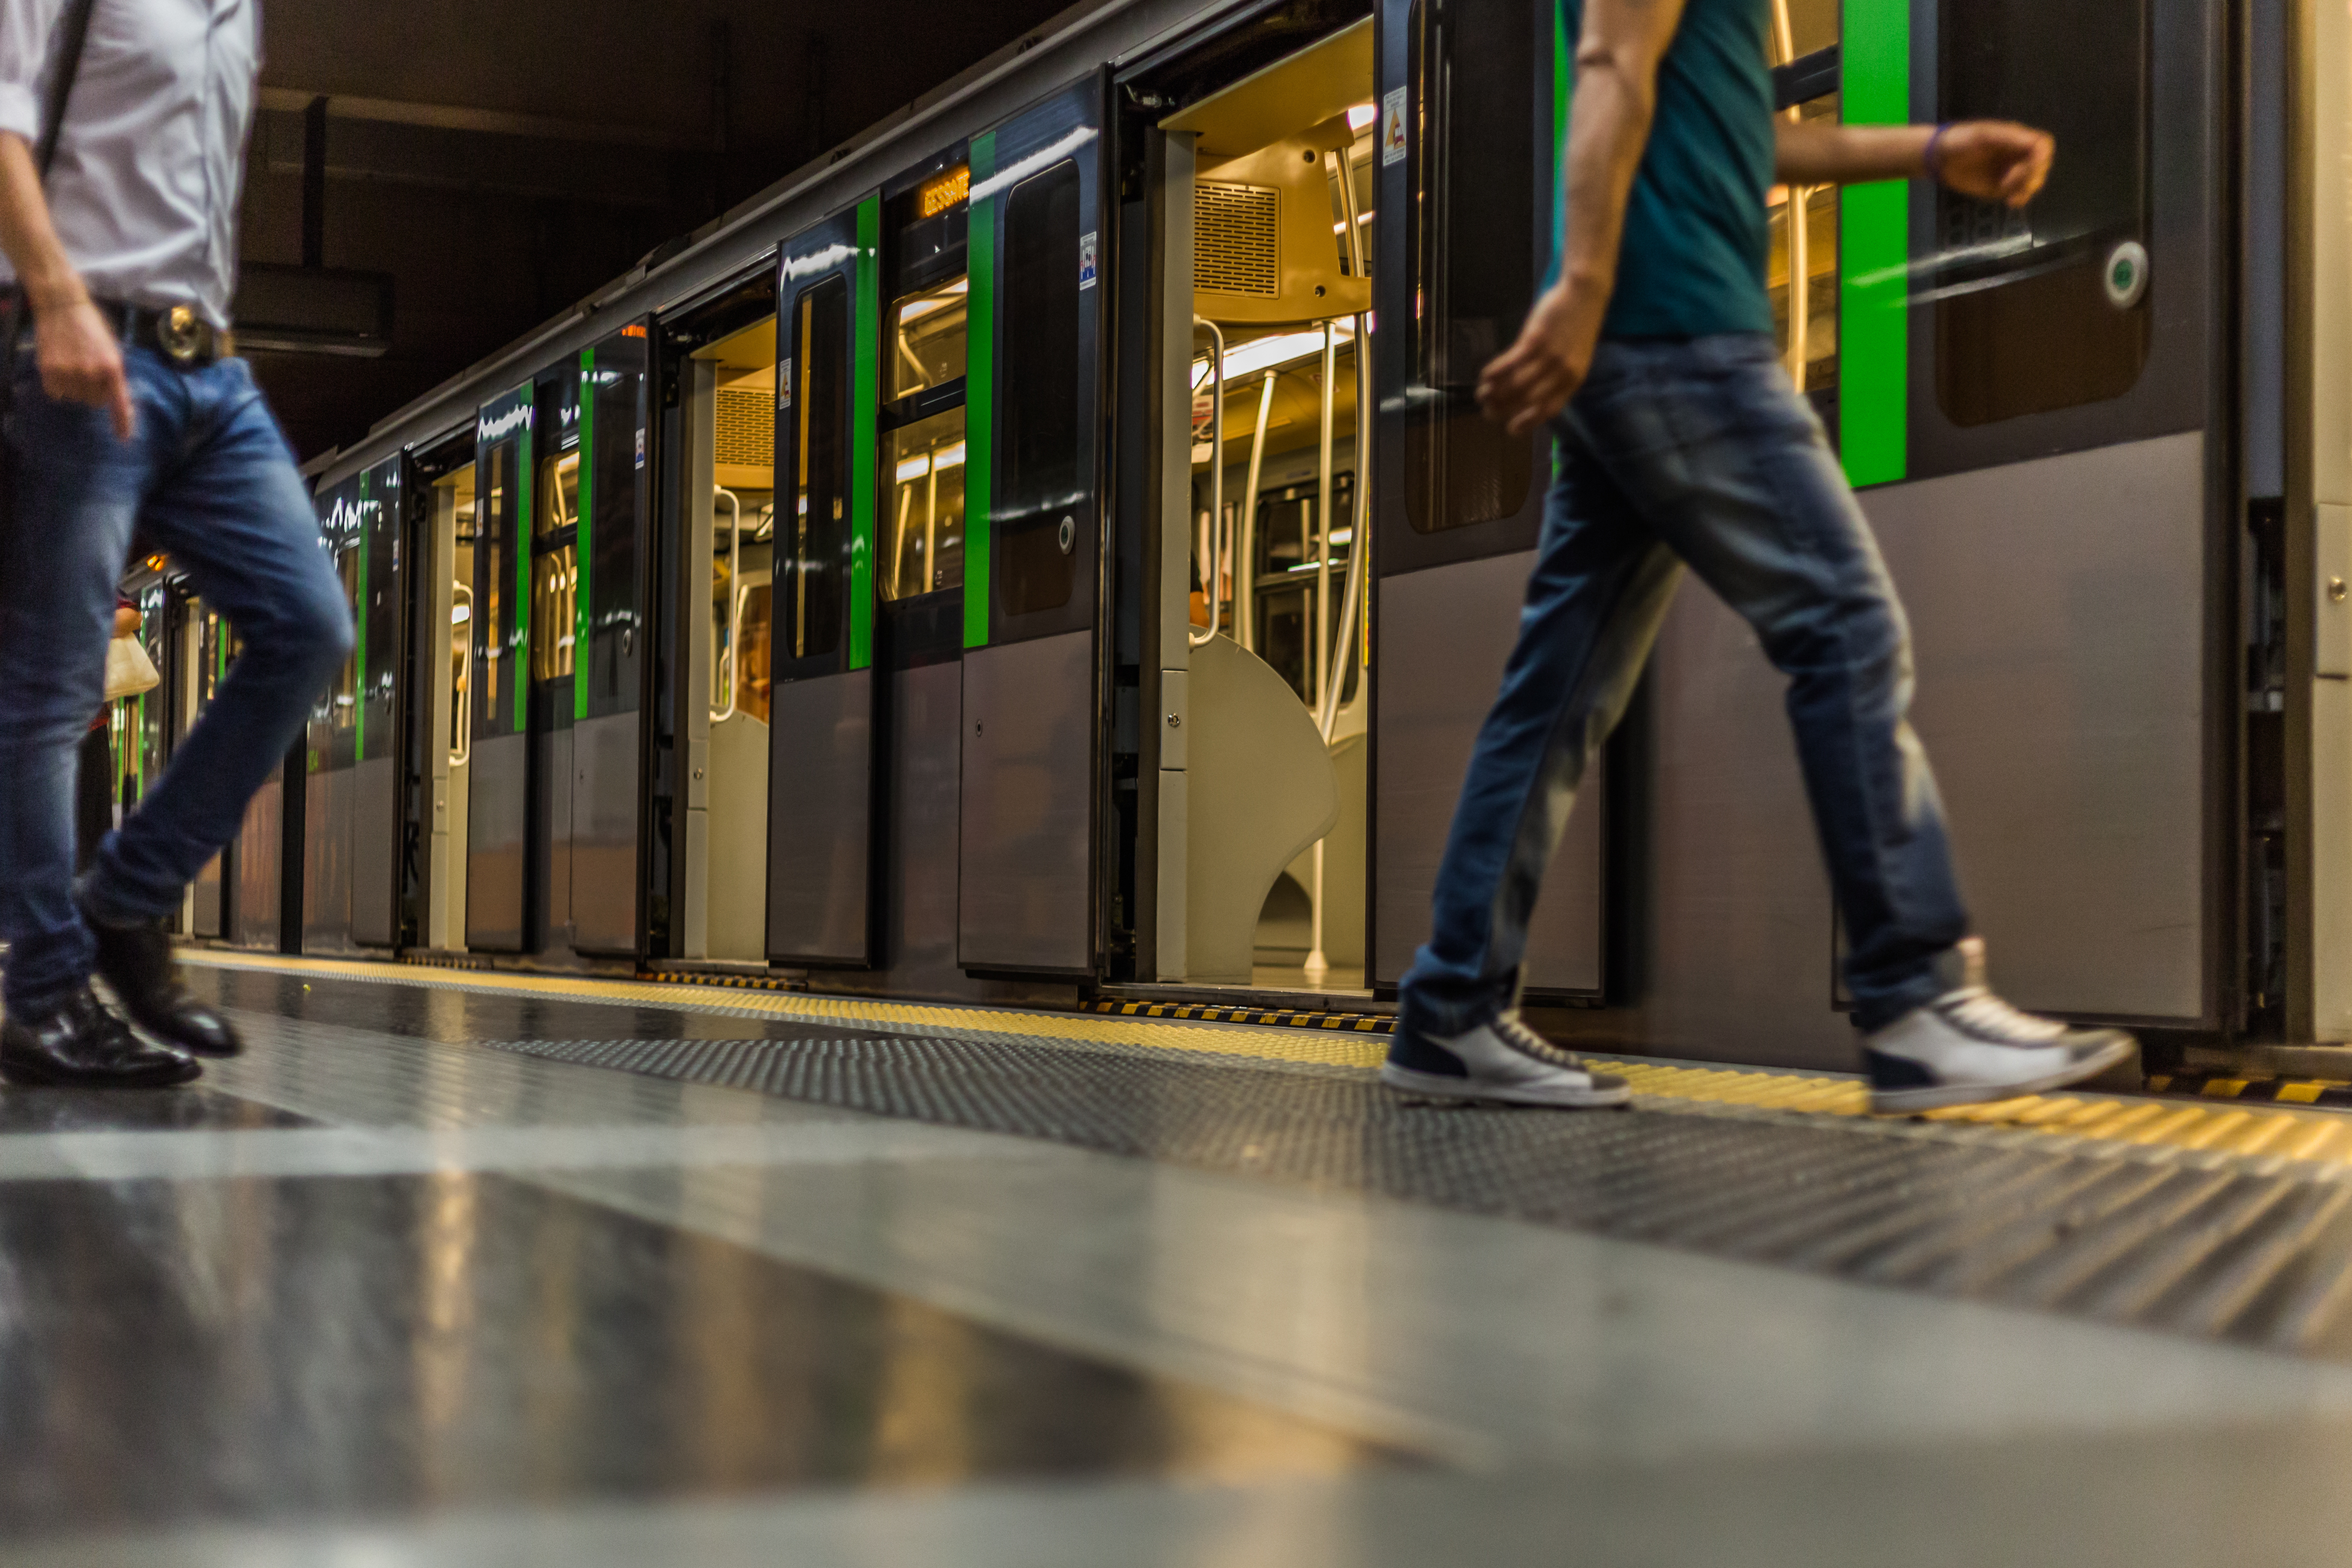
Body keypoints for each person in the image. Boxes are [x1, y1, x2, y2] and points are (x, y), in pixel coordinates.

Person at [1383, 0, 2136, 1114]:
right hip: (1678, 334)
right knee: (1845, 627)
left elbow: (1749, 134)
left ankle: (1449, 1010)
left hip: (1645, 340)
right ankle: (1913, 997)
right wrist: (1584, 288)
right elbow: (1610, 65)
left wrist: (1931, 152)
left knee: (1554, 699)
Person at [0, 0, 352, 1087]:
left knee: (308, 628)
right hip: (81, 347)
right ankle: (45, 990)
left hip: (210, 371)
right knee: (52, 687)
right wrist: (55, 299)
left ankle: (125, 901)